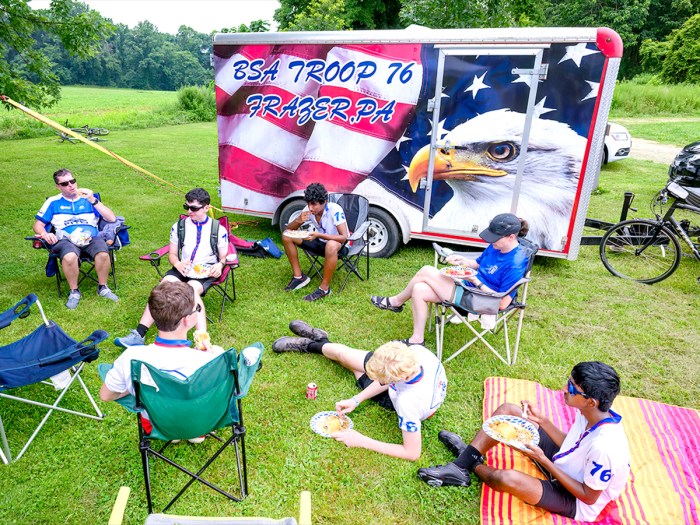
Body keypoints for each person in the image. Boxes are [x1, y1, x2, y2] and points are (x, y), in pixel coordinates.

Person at [417, 362, 631, 523]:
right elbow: (571, 444)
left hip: (577, 500)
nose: (565, 389)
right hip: (565, 464)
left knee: (506, 477)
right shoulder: (591, 413)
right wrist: (543, 421)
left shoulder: (605, 448)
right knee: (508, 412)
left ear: (591, 401)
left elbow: (588, 496)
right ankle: (462, 465)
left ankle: (468, 460)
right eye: (569, 382)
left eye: (573, 389)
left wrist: (545, 461)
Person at [273, 321, 447, 461]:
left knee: (352, 367)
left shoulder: (407, 403)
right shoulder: (415, 353)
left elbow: (412, 453)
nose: (377, 379)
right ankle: (317, 342)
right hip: (403, 380)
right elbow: (389, 377)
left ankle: (314, 343)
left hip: (399, 399)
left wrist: (361, 441)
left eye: (381, 378)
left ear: (395, 380)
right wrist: (356, 400)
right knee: (345, 356)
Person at [370, 213, 530, 346]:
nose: (491, 241)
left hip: (481, 300)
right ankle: (417, 340)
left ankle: (396, 302)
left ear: (510, 237)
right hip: (468, 287)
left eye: (495, 238)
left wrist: (476, 282)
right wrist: (462, 261)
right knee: (418, 289)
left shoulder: (515, 263)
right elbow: (478, 263)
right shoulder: (496, 246)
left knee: (426, 271)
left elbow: (501, 303)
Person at [100, 281, 222, 443]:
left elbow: (106, 395)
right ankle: (194, 434)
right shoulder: (213, 358)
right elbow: (222, 396)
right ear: (187, 320)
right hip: (200, 423)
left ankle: (172, 432)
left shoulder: (131, 357)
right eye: (197, 309)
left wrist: (138, 389)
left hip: (156, 424)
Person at [114, 188, 228, 349]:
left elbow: (223, 256)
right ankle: (139, 334)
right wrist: (178, 264)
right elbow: (173, 254)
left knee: (191, 291)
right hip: (183, 267)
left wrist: (220, 264)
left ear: (206, 208)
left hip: (205, 271)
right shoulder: (179, 227)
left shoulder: (218, 229)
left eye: (194, 208)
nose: (189, 211)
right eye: (186, 207)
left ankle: (202, 340)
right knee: (162, 287)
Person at [33, 168, 119, 309]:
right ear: (58, 186)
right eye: (65, 183)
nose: (71, 185)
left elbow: (111, 218)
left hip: (90, 237)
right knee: (69, 257)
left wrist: (93, 200)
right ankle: (74, 291)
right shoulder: (53, 202)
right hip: (66, 239)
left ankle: (103, 287)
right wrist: (45, 234)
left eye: (73, 181)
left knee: (103, 253)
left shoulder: (88, 199)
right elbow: (38, 225)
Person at [282, 183, 349, 302]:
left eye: (314, 204)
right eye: (308, 203)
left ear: (324, 201)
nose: (311, 207)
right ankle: (299, 277)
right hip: (319, 242)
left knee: (331, 245)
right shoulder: (308, 210)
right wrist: (298, 220)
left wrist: (319, 235)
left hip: (338, 245)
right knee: (286, 236)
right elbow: (288, 230)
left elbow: (343, 237)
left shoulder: (335, 210)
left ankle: (324, 289)